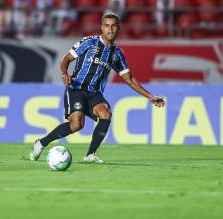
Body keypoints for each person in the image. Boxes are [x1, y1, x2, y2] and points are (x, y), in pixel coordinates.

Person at [29, 12, 165, 164]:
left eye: (113, 26)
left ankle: (90, 155)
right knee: (76, 125)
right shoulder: (88, 42)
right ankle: (41, 143)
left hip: (94, 93)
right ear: (102, 27)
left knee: (106, 113)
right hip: (76, 88)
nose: (110, 29)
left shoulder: (117, 54)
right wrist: (64, 73)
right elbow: (66, 59)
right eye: (107, 26)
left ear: (118, 28)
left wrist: (150, 96)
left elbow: (130, 79)